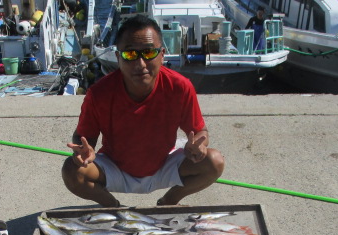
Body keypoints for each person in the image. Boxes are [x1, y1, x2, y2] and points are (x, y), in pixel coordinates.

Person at [62, 15, 224, 207]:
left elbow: (200, 131)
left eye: (148, 52)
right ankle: (114, 208)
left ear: (162, 54)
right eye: (130, 54)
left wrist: (199, 145)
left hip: (164, 165)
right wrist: (82, 151)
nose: (140, 64)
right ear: (118, 57)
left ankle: (169, 201)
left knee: (214, 161)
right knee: (71, 171)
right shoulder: (99, 93)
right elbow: (83, 138)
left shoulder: (180, 87)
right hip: (115, 168)